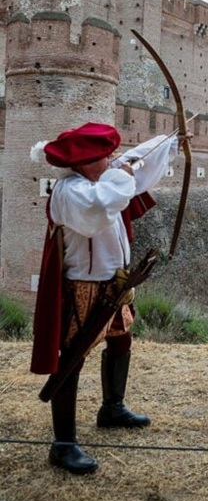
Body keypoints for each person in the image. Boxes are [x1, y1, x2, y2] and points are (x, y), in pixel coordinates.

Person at [30, 122, 191, 475]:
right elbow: (101, 207)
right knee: (72, 357)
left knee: (121, 339)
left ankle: (112, 408)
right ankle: (64, 444)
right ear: (85, 161)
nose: (111, 159)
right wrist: (124, 174)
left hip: (113, 282)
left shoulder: (100, 177)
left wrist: (172, 141)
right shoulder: (70, 192)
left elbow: (137, 161)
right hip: (82, 285)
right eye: (103, 156)